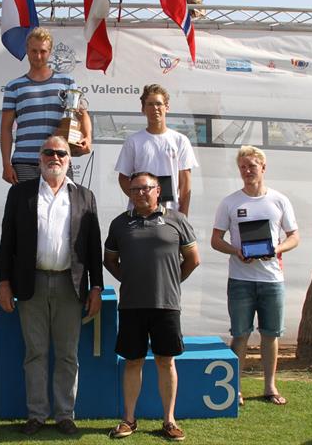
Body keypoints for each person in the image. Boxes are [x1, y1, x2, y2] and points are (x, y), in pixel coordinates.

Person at [0, 135, 103, 436]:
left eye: (61, 153)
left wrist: (96, 287)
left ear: (69, 160)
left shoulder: (85, 196)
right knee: (35, 353)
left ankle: (64, 414)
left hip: (70, 285)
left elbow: (93, 247)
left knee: (68, 353)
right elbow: (8, 242)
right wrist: (4, 283)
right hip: (31, 284)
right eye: (49, 152)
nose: (54, 157)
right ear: (39, 158)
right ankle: (36, 414)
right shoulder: (20, 194)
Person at [103, 172, 200, 441]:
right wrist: (130, 278)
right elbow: (109, 260)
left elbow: (193, 259)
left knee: (165, 361)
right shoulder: (120, 224)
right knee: (132, 362)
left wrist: (172, 280)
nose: (139, 194)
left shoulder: (177, 220)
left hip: (166, 305)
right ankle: (128, 420)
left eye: (145, 188)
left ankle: (169, 421)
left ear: (158, 190)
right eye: (134, 190)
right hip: (132, 305)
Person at [211, 145, 299, 407]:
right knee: (240, 334)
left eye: (251, 166)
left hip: (272, 280)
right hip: (240, 280)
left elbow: (294, 236)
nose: (247, 171)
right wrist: (236, 251)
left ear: (263, 167)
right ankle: (233, 388)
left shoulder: (279, 200)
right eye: (243, 167)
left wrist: (277, 249)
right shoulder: (229, 202)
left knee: (271, 335)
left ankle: (270, 386)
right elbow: (216, 240)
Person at [0, 27, 92, 184]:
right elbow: (6, 129)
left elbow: (82, 114)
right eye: (34, 51)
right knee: (26, 209)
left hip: (58, 158)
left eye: (43, 51)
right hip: (24, 161)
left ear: (50, 52)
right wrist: (6, 164)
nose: (38, 56)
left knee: (62, 208)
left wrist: (88, 138)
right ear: (27, 50)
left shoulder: (66, 82)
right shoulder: (14, 86)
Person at [114, 84, 198, 215]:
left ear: (167, 107)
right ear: (143, 109)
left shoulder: (180, 140)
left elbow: (185, 181)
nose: (155, 108)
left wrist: (183, 215)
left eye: (159, 104)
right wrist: (140, 199)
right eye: (150, 104)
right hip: (139, 214)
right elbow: (123, 178)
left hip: (171, 213)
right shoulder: (133, 141)